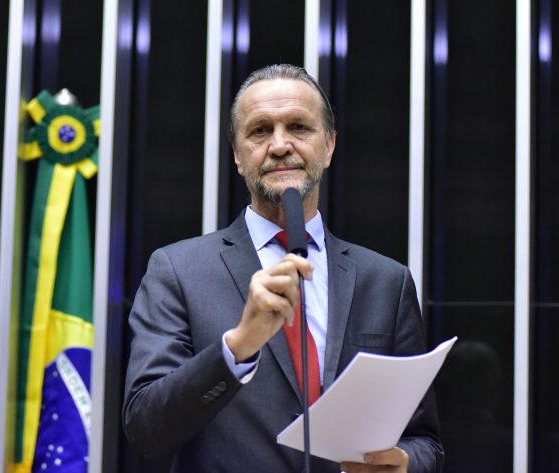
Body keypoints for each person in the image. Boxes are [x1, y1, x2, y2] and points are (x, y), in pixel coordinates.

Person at [123, 64, 444, 473]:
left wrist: (403, 464)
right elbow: (145, 427)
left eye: (298, 127)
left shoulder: (386, 281)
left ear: (329, 146)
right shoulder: (178, 271)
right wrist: (238, 345)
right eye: (259, 131)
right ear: (238, 156)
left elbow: (425, 441)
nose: (279, 145)